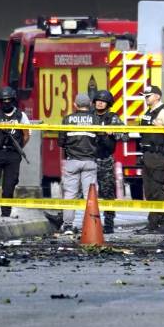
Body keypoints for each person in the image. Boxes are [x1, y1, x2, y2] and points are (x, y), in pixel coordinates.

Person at [0, 87, 31, 218]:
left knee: (9, 186)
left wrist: (18, 148)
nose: (7, 103)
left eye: (9, 100)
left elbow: (26, 135)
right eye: (4, 100)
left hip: (13, 154)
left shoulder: (21, 115)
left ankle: (5, 213)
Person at [136, 85, 164, 234]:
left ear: (157, 96)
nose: (146, 98)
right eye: (145, 96)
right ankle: (152, 223)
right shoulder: (149, 112)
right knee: (149, 191)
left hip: (157, 156)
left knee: (157, 190)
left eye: (149, 95)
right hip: (147, 155)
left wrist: (159, 125)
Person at [60, 93, 98, 233]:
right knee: (90, 195)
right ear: (89, 105)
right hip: (89, 161)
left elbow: (60, 141)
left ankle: (68, 226)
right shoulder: (95, 119)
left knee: (70, 194)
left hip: (72, 161)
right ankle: (91, 224)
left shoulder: (67, 119)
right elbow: (99, 140)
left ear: (75, 105)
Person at [92, 89, 125, 234]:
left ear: (108, 103)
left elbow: (125, 136)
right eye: (98, 100)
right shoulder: (88, 117)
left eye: (103, 101)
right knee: (79, 192)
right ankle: (66, 222)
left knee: (107, 193)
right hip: (89, 159)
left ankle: (109, 224)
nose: (100, 103)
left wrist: (113, 132)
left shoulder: (113, 118)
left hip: (105, 159)